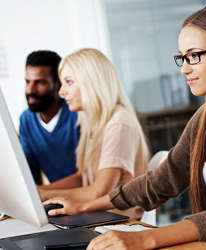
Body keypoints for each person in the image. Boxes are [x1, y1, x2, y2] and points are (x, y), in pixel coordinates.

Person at [44, 3, 206, 250]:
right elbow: (159, 183)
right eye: (182, 58)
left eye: (194, 56)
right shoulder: (204, 119)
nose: (184, 68)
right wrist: (87, 206)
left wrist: (144, 238)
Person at [40, 48, 150, 219]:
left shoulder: (119, 123)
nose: (61, 92)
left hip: (117, 219)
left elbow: (99, 191)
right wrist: (40, 190)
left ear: (92, 82)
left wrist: (46, 195)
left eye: (69, 82)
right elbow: (85, 176)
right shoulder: (94, 122)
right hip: (97, 214)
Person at [20, 50, 79, 184]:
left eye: (40, 82)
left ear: (58, 84)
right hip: (55, 198)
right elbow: (32, 175)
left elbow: (88, 176)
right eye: (27, 82)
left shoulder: (77, 114)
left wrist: (42, 193)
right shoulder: (26, 120)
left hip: (86, 197)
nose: (30, 90)